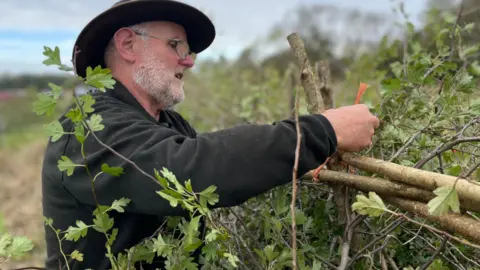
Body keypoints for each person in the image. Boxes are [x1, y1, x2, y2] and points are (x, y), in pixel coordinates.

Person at [41, 0, 380, 269]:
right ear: (128, 45)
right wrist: (323, 132)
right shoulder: (88, 129)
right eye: (177, 46)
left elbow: (222, 162)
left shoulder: (166, 124)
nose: (188, 62)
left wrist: (304, 164)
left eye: (188, 51)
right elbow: (192, 170)